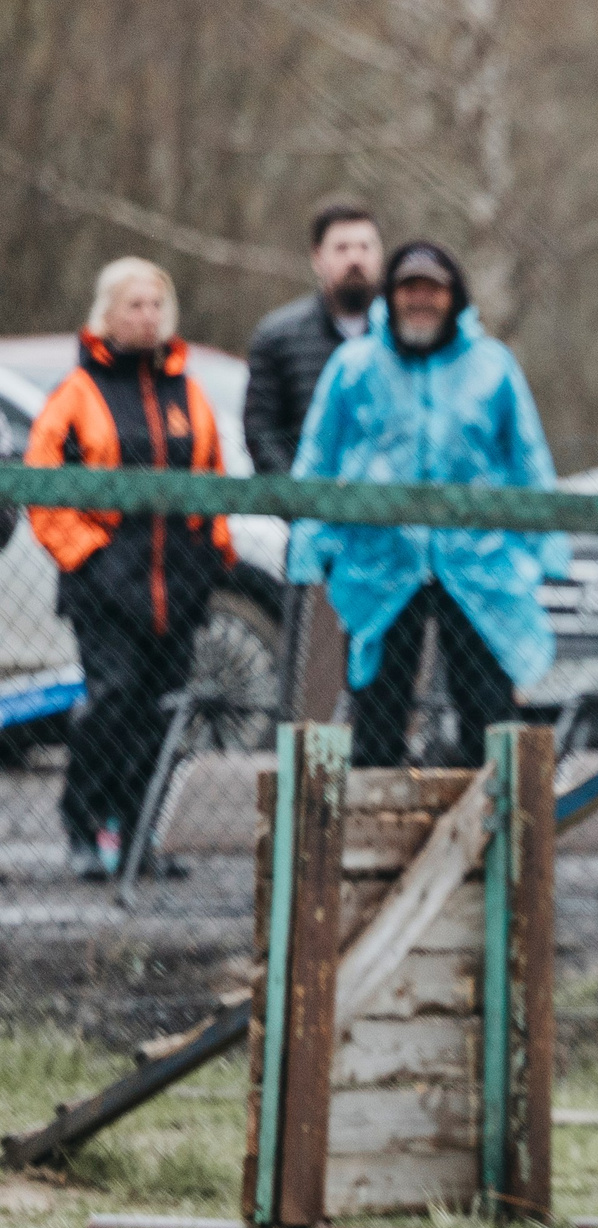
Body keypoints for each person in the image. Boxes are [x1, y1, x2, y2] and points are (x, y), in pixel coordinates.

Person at [288, 240, 567, 768]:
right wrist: (312, 542)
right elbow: (316, 460)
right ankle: (377, 833)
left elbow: (528, 461)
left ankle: (486, 836)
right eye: (408, 289)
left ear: (453, 297)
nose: (420, 300)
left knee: (490, 713)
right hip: (381, 563)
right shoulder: (353, 366)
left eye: (432, 290)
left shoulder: (493, 367)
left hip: (478, 562)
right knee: (377, 715)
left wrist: (545, 550)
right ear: (389, 297)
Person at [23, 258, 234, 879]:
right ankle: (87, 827)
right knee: (110, 701)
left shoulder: (187, 394)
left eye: (154, 305)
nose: (146, 317)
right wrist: (90, 557)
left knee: (163, 713)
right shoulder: (77, 394)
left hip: (178, 587)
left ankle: (141, 836)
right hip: (105, 590)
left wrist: (211, 554)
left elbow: (212, 481)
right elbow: (44, 488)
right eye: (133, 305)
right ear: (106, 315)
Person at [244, 201, 383, 476]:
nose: (355, 258)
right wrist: (301, 501)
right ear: (317, 257)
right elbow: (261, 432)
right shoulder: (278, 338)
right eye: (342, 248)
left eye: (365, 247)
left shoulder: (406, 340)